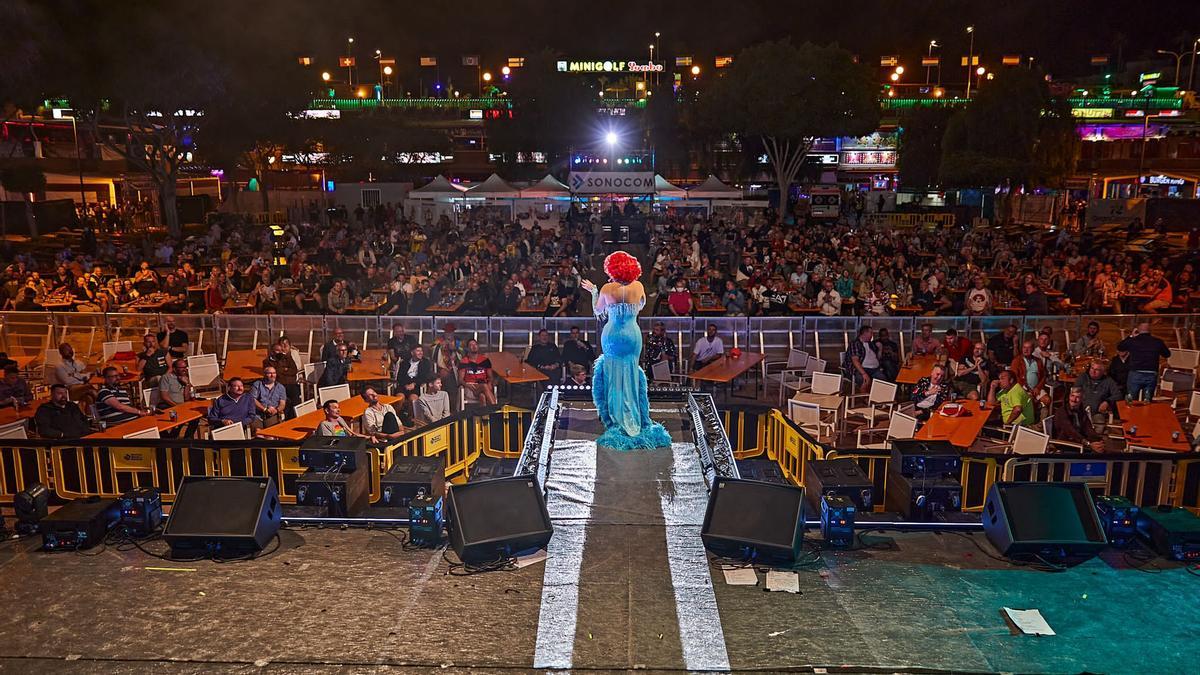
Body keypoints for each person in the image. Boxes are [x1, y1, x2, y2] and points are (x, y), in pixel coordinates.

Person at [580, 251, 672, 449]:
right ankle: (634, 415)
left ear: (611, 268)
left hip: (613, 335)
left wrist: (594, 291)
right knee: (631, 373)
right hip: (632, 335)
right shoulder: (638, 286)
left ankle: (617, 418)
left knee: (614, 376)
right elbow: (641, 305)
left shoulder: (607, 288)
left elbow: (598, 311)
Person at [1116, 321, 1172, 401]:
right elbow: (1167, 354)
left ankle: (1131, 413)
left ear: (1138, 330)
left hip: (1135, 373)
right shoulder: (1157, 342)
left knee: (1131, 400)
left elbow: (1120, 347)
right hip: (1151, 374)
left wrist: (1131, 336)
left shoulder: (1133, 341)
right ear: (1150, 330)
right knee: (1147, 401)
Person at [1052, 387, 1105, 451]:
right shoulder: (1061, 412)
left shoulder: (1081, 411)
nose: (1074, 399)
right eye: (1072, 396)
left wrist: (1098, 440)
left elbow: (1088, 428)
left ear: (1082, 399)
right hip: (1066, 443)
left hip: (1079, 441)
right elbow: (1071, 432)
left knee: (1102, 449)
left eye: (1077, 397)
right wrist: (1088, 444)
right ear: (1069, 396)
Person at [1010, 340, 1050, 408]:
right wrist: (1027, 390)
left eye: (1029, 348)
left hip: (1036, 389)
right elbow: (1014, 377)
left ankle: (1042, 418)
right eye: (1024, 347)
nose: (1026, 350)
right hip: (1022, 389)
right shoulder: (1017, 361)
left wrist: (1038, 388)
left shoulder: (1038, 361)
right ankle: (1033, 416)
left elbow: (1043, 376)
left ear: (1033, 349)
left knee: (1047, 400)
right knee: (1030, 400)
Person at [264, 341, 299, 416]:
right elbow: (276, 374)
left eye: (281, 350)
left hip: (291, 383)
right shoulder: (267, 362)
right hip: (278, 384)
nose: (280, 352)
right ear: (272, 352)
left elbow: (294, 370)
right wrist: (284, 369)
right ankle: (286, 417)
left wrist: (282, 371)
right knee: (285, 401)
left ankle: (294, 416)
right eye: (277, 350)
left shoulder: (287, 358)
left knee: (295, 398)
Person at [842, 325, 881, 394]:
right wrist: (864, 373)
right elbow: (855, 360)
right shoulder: (855, 344)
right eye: (871, 333)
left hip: (874, 369)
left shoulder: (871, 344)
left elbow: (877, 358)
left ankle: (879, 398)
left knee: (883, 380)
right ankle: (865, 399)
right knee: (864, 380)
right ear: (865, 333)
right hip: (859, 369)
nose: (872, 335)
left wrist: (880, 349)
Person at [458, 339, 497, 405]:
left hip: (483, 386)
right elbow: (460, 379)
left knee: (482, 396)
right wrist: (467, 385)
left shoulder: (485, 360)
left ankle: (484, 415)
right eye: (471, 345)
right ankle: (496, 409)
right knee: (484, 386)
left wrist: (490, 383)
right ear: (467, 348)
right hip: (470, 387)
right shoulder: (464, 361)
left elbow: (491, 377)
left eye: (475, 344)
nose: (474, 346)